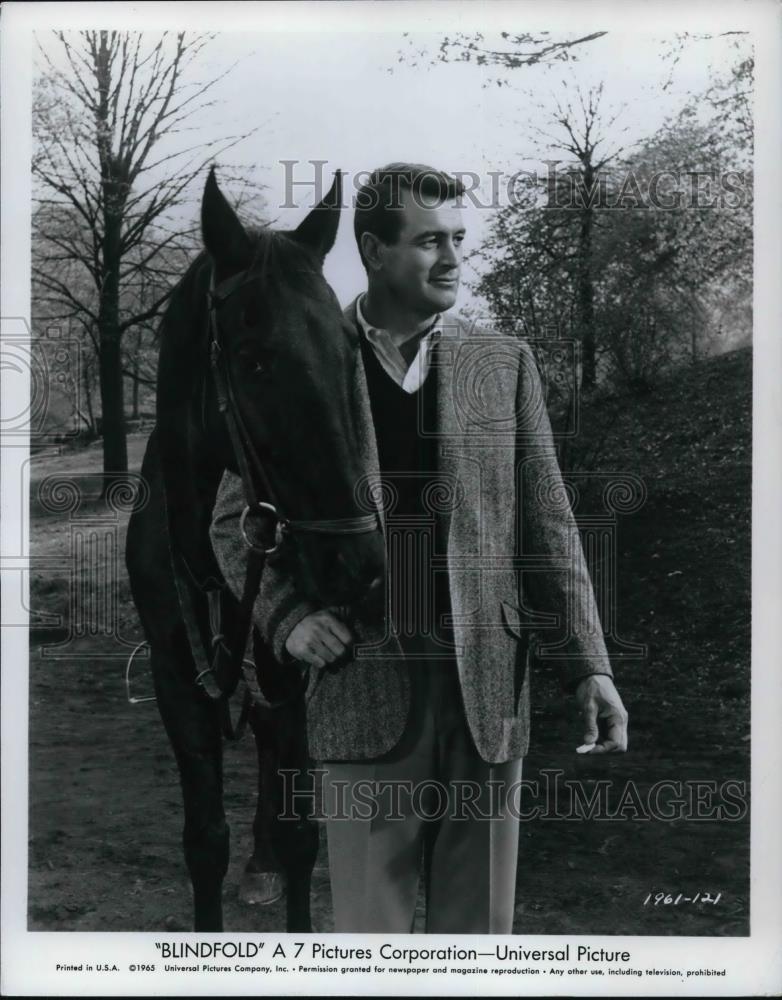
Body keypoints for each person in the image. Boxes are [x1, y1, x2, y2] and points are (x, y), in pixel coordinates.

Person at [210, 163, 628, 934]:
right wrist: (287, 616)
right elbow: (231, 522)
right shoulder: (311, 350)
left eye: (459, 240)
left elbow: (550, 524)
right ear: (372, 249)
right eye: (430, 241)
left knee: (481, 945)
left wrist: (589, 665)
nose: (452, 259)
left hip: (489, 693)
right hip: (359, 683)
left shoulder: (500, 364)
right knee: (373, 947)